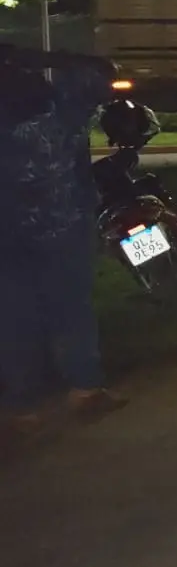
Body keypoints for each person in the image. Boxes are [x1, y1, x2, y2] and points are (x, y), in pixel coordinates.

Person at [0, 42, 127, 436]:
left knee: (14, 317)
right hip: (64, 231)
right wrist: (43, 58)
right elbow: (102, 73)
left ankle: (21, 406)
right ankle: (84, 389)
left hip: (8, 238)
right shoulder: (63, 114)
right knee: (71, 309)